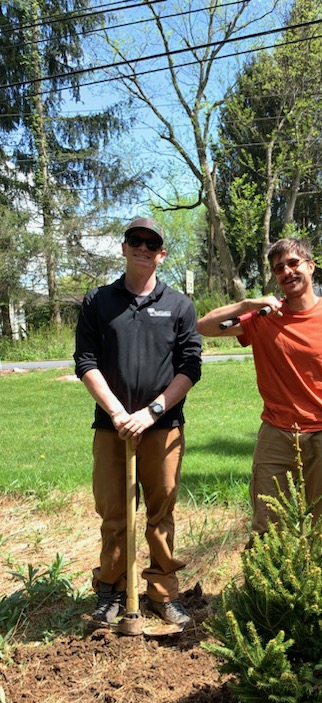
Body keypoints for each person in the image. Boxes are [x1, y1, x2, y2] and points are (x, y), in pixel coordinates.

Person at [196, 237, 322, 541]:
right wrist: (248, 304)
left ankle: (318, 573)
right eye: (279, 268)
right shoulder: (263, 317)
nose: (287, 272)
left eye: (294, 263)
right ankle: (268, 574)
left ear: (311, 266)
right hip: (276, 435)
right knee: (267, 525)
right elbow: (204, 326)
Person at [74, 217, 202, 628]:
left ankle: (163, 593)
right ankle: (111, 591)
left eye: (151, 243)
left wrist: (151, 413)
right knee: (114, 514)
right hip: (112, 428)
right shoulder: (98, 301)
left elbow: (190, 367)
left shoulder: (179, 305)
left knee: (160, 514)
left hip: (162, 428)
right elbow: (85, 362)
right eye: (136, 240)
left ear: (161, 254)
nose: (143, 248)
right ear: (124, 247)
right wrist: (118, 413)